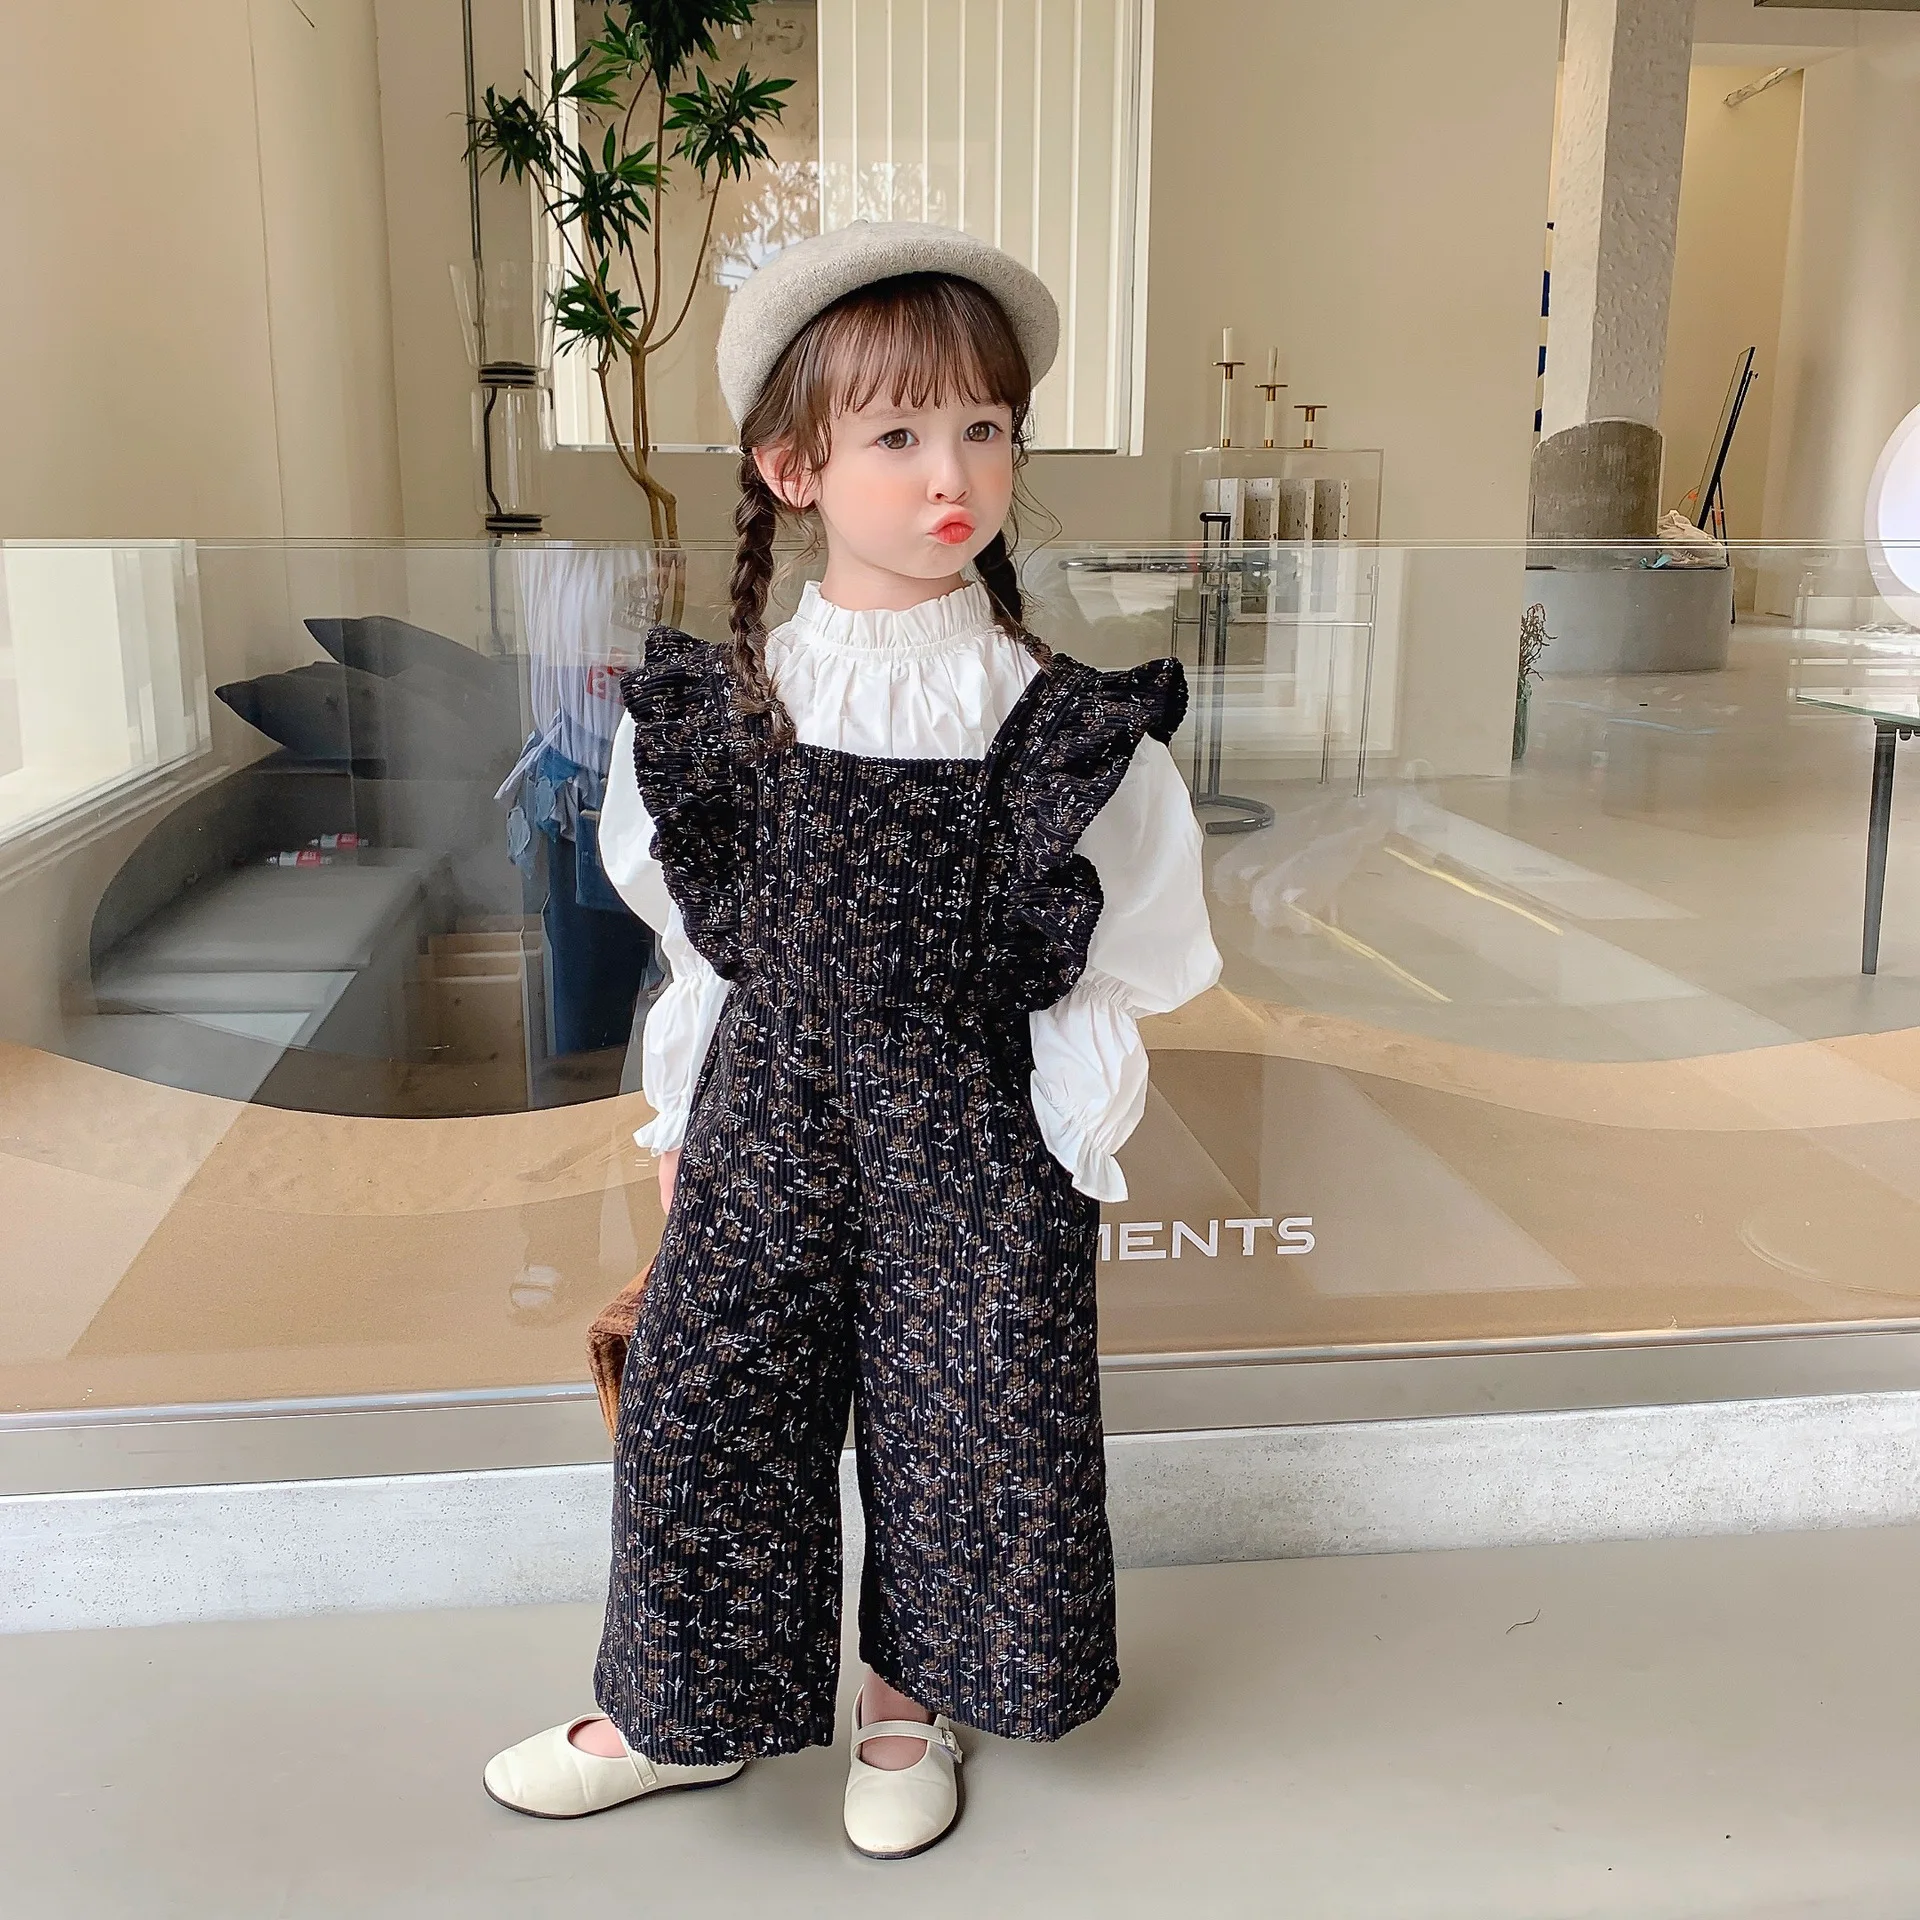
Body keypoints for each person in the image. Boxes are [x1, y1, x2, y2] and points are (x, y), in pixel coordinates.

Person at [482, 220, 1220, 1859]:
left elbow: (1115, 965)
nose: (951, 473)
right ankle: (679, 1710)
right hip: (767, 1114)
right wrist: (680, 1130)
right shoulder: (719, 710)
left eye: (984, 426)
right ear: (791, 467)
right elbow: (698, 960)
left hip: (978, 1125)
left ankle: (909, 1696)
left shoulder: (1059, 724)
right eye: (896, 434)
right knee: (709, 1400)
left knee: (969, 1419)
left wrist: (1064, 1146)